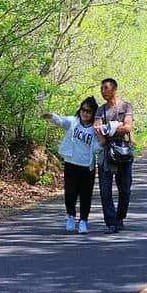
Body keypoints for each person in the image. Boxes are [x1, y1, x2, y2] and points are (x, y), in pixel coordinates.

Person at [41, 97, 101, 234]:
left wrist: (102, 143)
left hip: (87, 166)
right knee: (70, 192)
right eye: (83, 110)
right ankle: (70, 216)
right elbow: (60, 121)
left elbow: (97, 147)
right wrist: (50, 116)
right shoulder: (73, 122)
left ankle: (83, 221)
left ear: (93, 113)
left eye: (89, 111)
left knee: (86, 195)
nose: (85, 113)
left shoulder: (95, 128)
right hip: (71, 163)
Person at [93, 78, 134, 234]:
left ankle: (120, 218)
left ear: (115, 89)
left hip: (123, 151)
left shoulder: (126, 106)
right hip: (106, 152)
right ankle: (111, 222)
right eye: (101, 88)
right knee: (105, 190)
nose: (103, 91)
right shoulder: (100, 110)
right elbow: (97, 128)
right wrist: (117, 125)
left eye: (106, 88)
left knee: (125, 189)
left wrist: (108, 128)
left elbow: (128, 127)